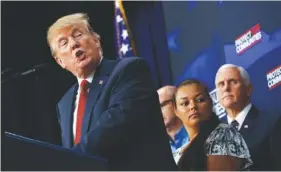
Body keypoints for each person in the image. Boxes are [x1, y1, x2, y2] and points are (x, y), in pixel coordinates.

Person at [46, 13, 177, 170]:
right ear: (60, 61)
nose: (73, 44)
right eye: (64, 43)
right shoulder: (64, 104)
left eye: (78, 34)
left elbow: (117, 124)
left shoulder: (129, 70)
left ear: (96, 40)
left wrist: (69, 161)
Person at [173, 79, 252, 171]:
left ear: (211, 102)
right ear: (176, 111)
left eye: (200, 100)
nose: (192, 106)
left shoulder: (224, 134)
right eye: (185, 103)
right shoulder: (178, 154)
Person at [215, 64, 281, 170]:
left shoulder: (273, 121)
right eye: (221, 84)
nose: (226, 88)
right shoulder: (213, 134)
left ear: (249, 89)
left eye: (233, 82)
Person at [157, 85, 189, 163]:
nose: (156, 112)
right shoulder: (158, 149)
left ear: (178, 102)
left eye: (161, 105)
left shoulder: (200, 131)